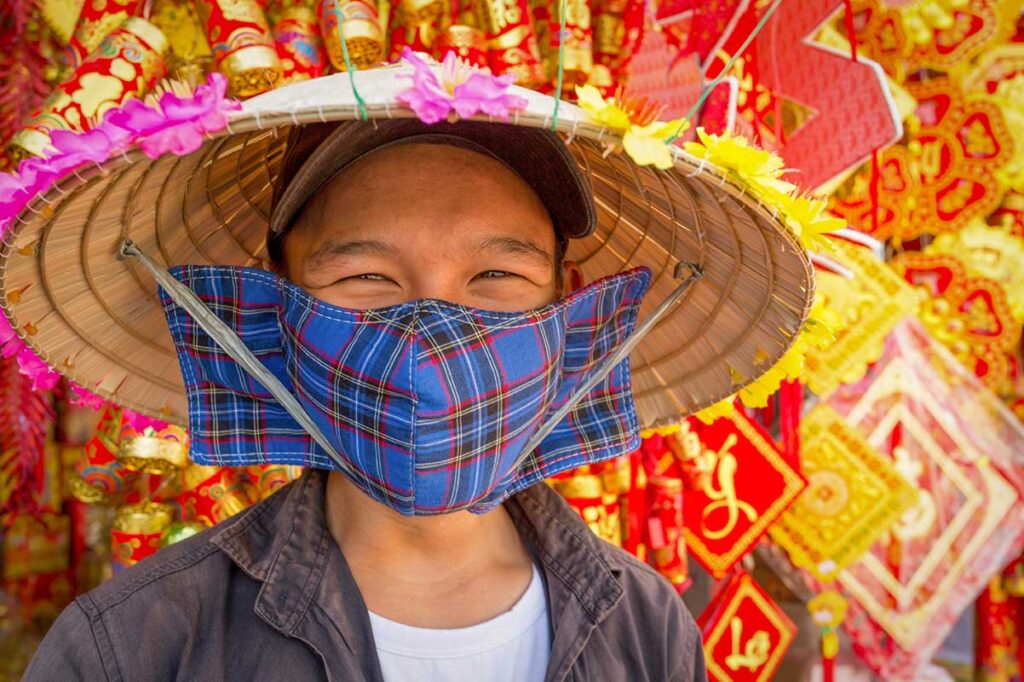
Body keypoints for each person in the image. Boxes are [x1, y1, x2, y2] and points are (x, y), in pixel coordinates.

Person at [13, 60, 812, 682]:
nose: (434, 340)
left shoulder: (645, 623)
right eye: (367, 280)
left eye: (495, 279)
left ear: (568, 313)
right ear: (277, 312)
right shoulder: (138, 645)